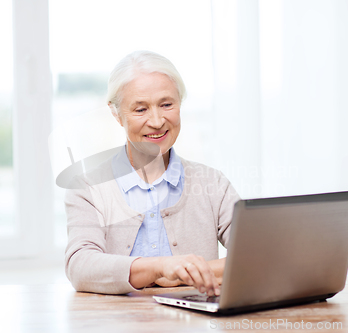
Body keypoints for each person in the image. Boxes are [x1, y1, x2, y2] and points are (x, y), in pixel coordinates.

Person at [64, 50, 240, 295]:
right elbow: (80, 266)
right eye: (140, 109)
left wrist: (181, 273)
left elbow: (259, 255)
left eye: (166, 104)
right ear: (116, 113)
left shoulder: (213, 183)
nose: (157, 122)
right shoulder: (87, 186)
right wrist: (161, 267)